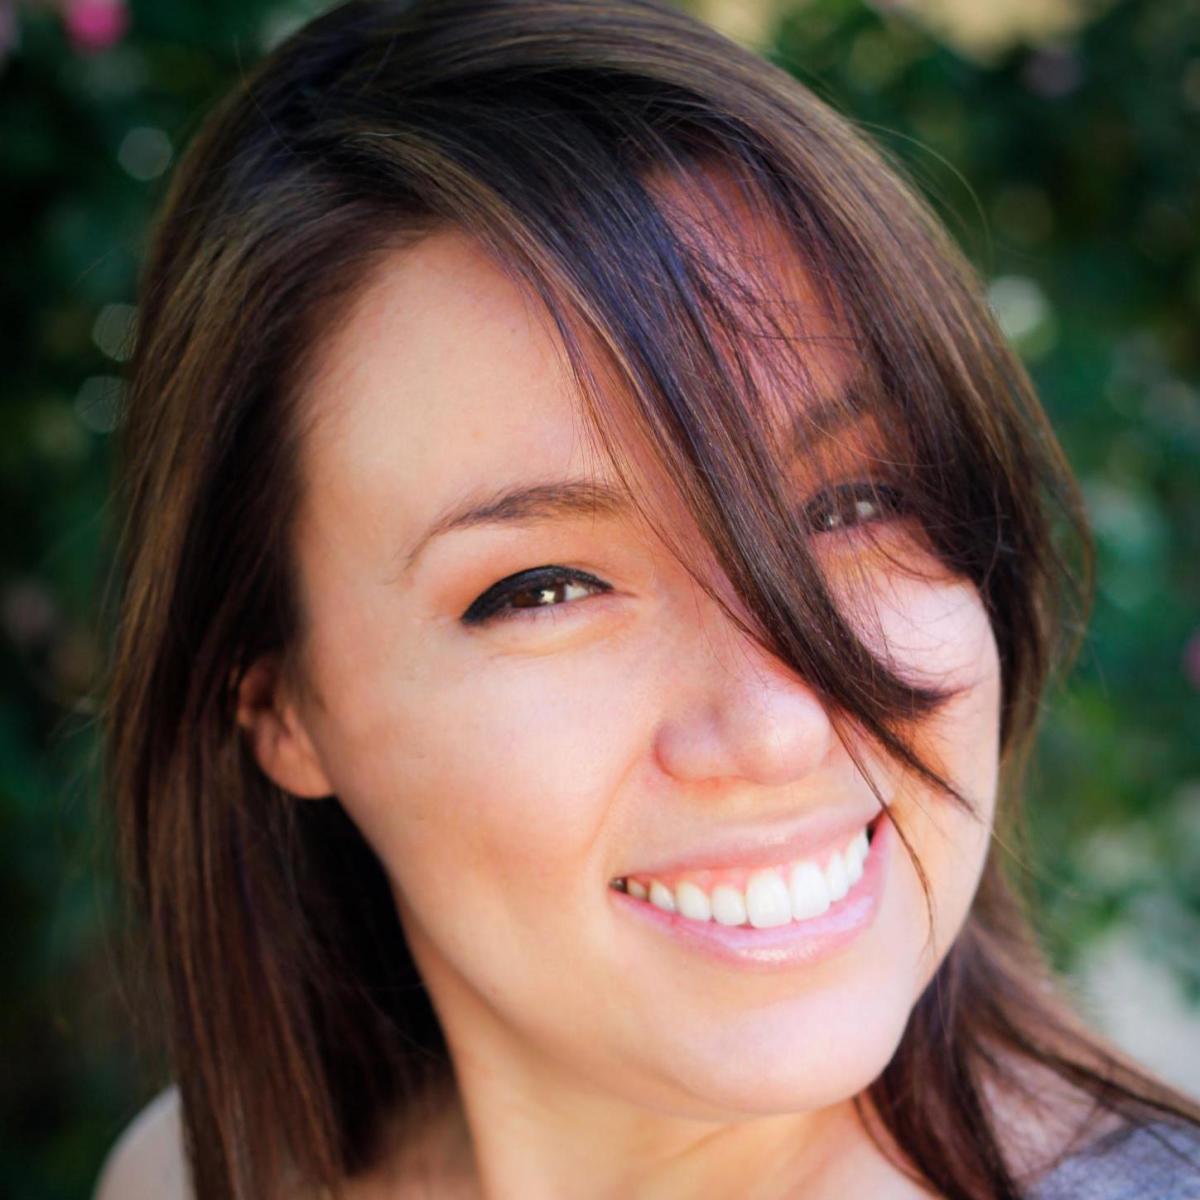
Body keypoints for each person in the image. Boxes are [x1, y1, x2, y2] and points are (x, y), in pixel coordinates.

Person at [92, 0, 1200, 1197]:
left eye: (854, 502)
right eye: (543, 589)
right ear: (282, 708)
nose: (776, 729)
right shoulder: (192, 1176)